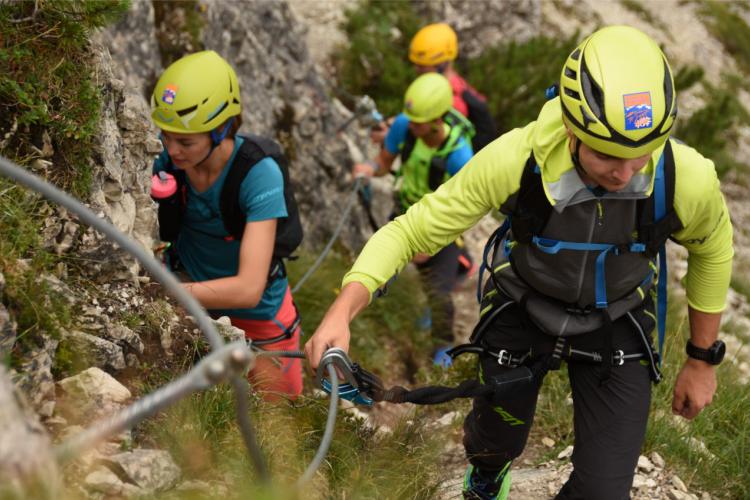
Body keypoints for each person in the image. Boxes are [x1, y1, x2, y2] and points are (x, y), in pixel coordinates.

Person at [306, 25, 734, 499]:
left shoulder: (685, 177)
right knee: (494, 442)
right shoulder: (518, 158)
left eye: (641, 156)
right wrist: (343, 309)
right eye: (606, 155)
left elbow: (712, 249)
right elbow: (412, 230)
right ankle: (488, 472)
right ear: (572, 127)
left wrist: (702, 360)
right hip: (524, 306)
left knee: (604, 491)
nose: (625, 173)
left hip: (617, 316)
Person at [150, 50, 303, 401]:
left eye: (185, 141)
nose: (171, 150)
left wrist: (168, 292)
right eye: (165, 136)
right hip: (193, 298)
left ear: (220, 130)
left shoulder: (258, 174)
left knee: (280, 417)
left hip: (257, 314)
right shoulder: (169, 163)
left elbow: (249, 288)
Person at [353, 72, 474, 365]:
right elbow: (384, 163)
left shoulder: (460, 156)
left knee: (439, 293)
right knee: (378, 266)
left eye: (419, 121)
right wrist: (369, 170)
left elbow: (467, 209)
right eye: (411, 119)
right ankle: (368, 320)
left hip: (442, 224)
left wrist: (431, 243)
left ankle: (443, 347)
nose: (412, 125)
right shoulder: (405, 127)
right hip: (407, 210)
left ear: (438, 118)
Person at [372, 22, 497, 153]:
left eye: (422, 66)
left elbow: (432, 136)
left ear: (442, 64)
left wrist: (393, 134)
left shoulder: (453, 101)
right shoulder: (452, 86)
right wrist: (391, 124)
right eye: (416, 64)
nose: (416, 70)